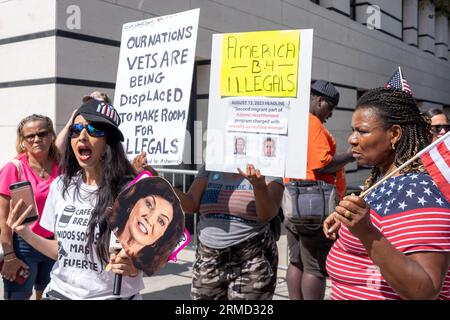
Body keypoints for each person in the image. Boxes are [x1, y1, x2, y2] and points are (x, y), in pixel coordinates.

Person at [7, 99, 144, 300]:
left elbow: (152, 254)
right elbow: (60, 251)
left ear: (110, 141)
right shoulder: (61, 186)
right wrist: (23, 232)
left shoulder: (131, 191)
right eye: (77, 129)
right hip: (59, 293)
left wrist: (134, 267)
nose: (82, 136)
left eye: (94, 130)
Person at [324, 87, 450, 300]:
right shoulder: (382, 178)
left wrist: (366, 232)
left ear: (394, 134)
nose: (352, 140)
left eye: (362, 131)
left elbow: (425, 289)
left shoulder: (420, 193)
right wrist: (348, 220)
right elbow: (388, 225)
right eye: (353, 130)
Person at [283, 80, 355, 300]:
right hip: (313, 204)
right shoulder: (311, 123)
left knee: (296, 261)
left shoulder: (296, 122)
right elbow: (322, 163)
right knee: (314, 266)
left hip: (293, 202)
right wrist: (351, 155)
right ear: (319, 100)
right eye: (330, 108)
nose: (330, 114)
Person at [174, 164, 284, 300]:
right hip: (209, 260)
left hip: (251, 260)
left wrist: (259, 186)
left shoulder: (269, 165)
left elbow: (267, 214)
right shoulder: (211, 165)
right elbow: (191, 203)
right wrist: (161, 184)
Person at [0, 114, 60, 300]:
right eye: (30, 136)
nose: (37, 139)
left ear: (51, 136)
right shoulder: (14, 168)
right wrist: (9, 255)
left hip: (54, 245)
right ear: (23, 141)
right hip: (23, 248)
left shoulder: (62, 165)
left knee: (49, 296)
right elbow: (2, 218)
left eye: (42, 133)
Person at [108, 176, 184, 276]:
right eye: (149, 204)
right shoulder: (102, 225)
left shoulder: (144, 265)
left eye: (161, 221)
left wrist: (134, 271)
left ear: (162, 237)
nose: (150, 219)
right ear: (133, 202)